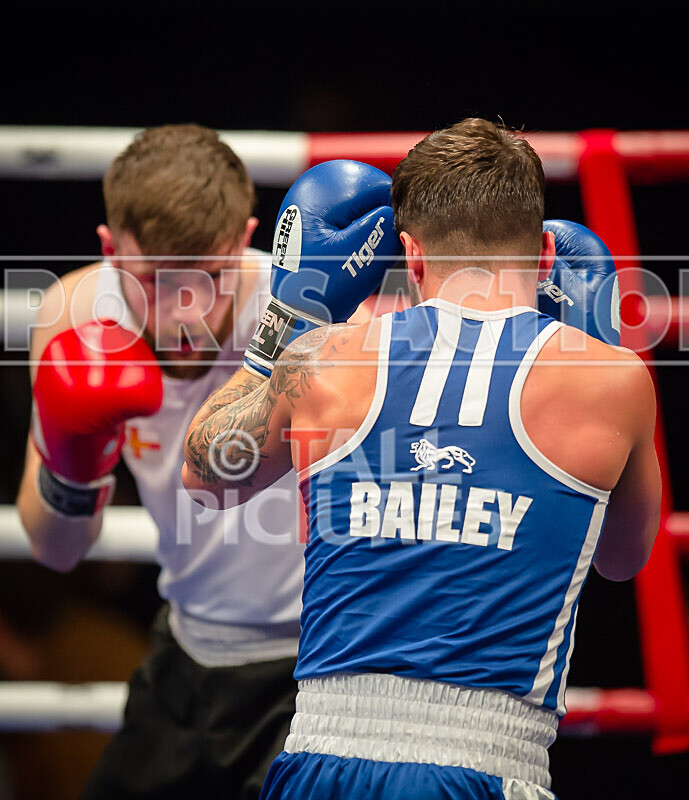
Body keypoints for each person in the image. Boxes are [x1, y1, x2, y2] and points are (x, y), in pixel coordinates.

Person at [182, 120, 661, 799]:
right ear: (547, 257)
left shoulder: (321, 360)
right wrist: (595, 346)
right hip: (487, 767)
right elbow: (623, 557)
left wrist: (288, 316)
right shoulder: (610, 382)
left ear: (408, 257)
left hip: (318, 760)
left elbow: (204, 475)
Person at [17, 124, 310, 799]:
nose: (184, 311)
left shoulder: (303, 310)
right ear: (110, 251)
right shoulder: (76, 314)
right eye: (154, 280)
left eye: (208, 277)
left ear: (244, 239)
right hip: (186, 647)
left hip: (315, 665)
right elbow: (54, 549)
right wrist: (72, 460)